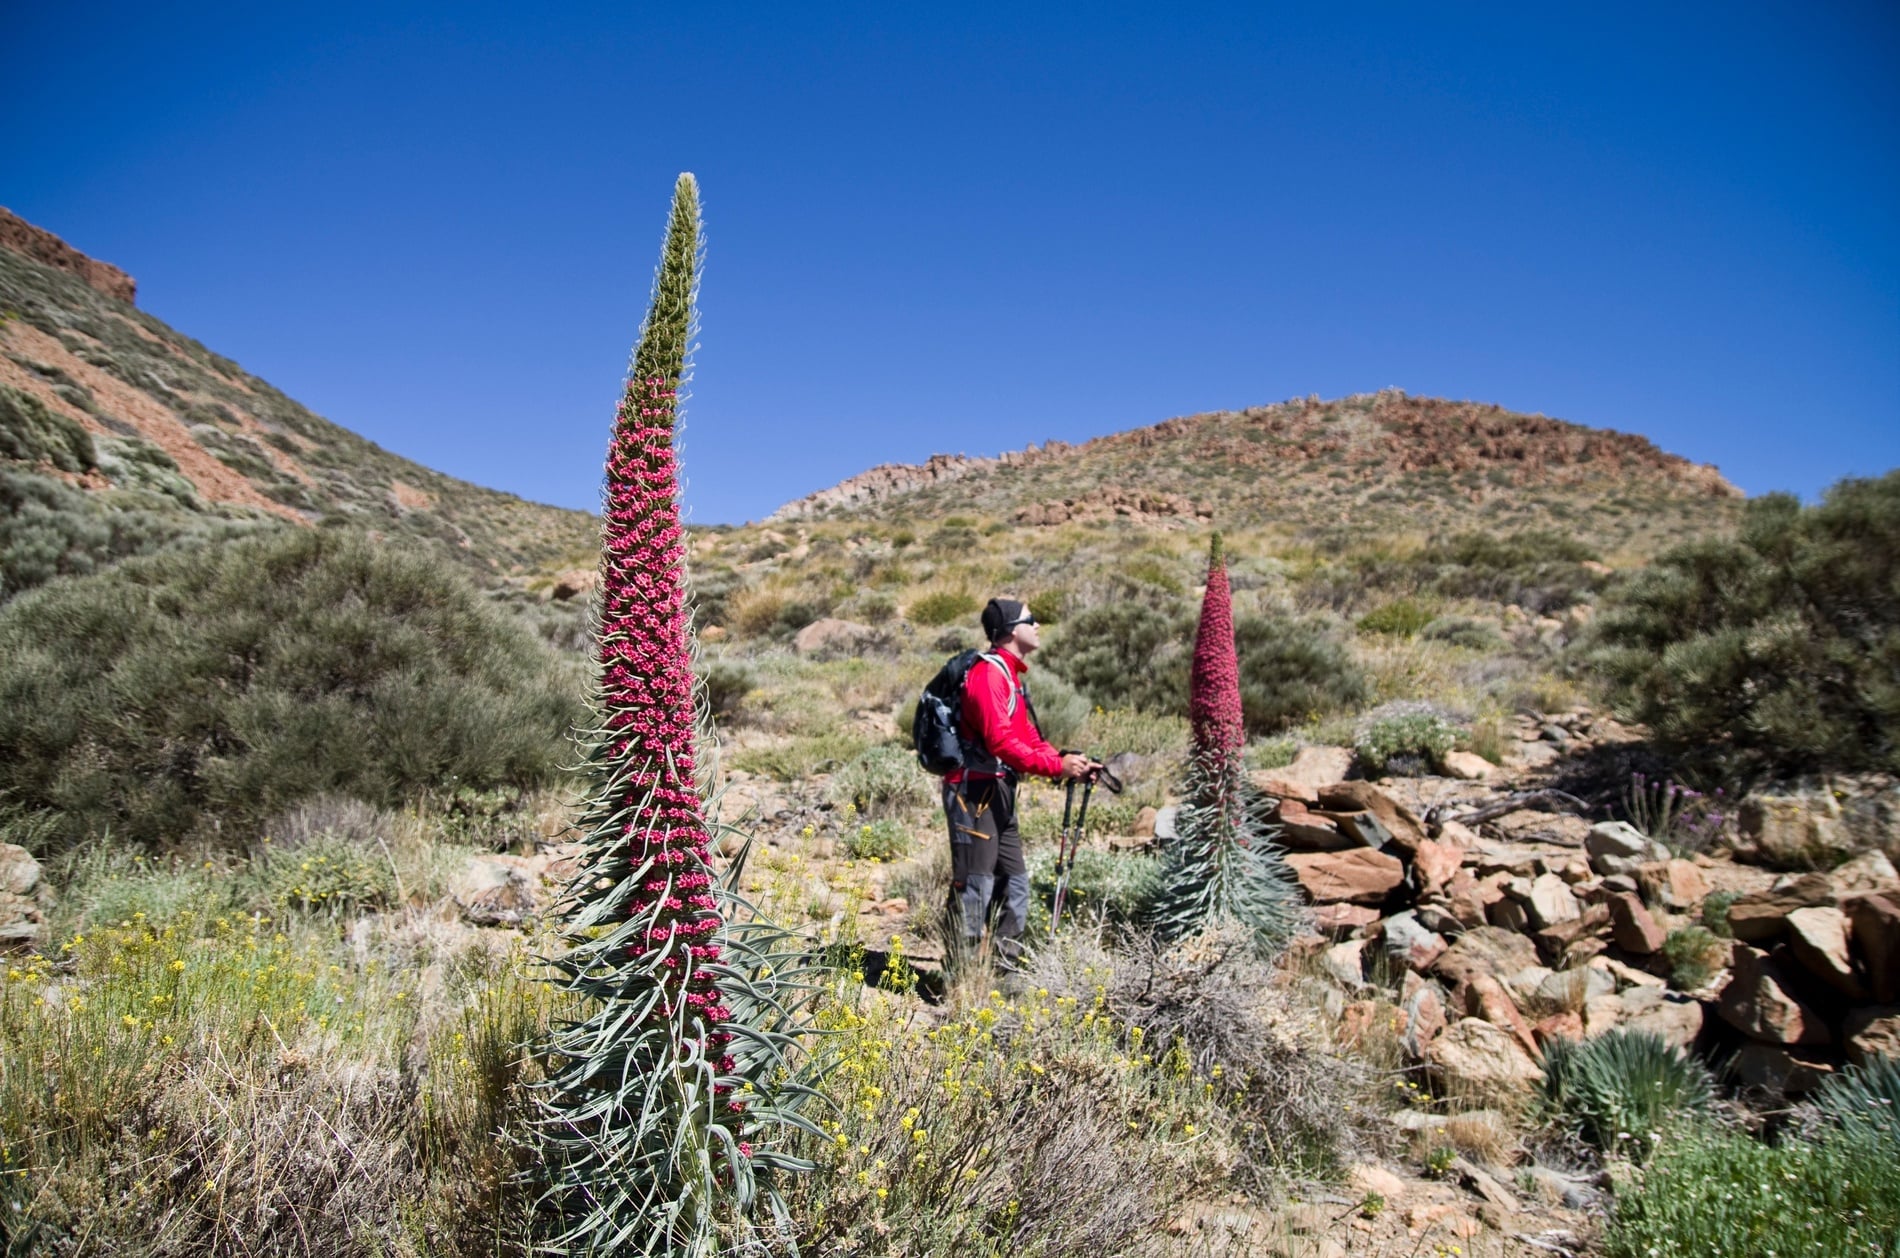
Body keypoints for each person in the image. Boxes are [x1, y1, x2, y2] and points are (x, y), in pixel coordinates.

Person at [942, 596, 1096, 967]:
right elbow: (1002, 742)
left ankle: (1005, 973)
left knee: (1014, 883)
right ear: (1011, 630)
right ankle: (961, 978)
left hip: (999, 791)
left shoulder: (1008, 675)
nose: (1038, 625)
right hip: (973, 792)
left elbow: (1026, 736)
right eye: (1032, 619)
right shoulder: (988, 676)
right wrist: (1056, 768)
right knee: (975, 885)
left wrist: (1065, 760)